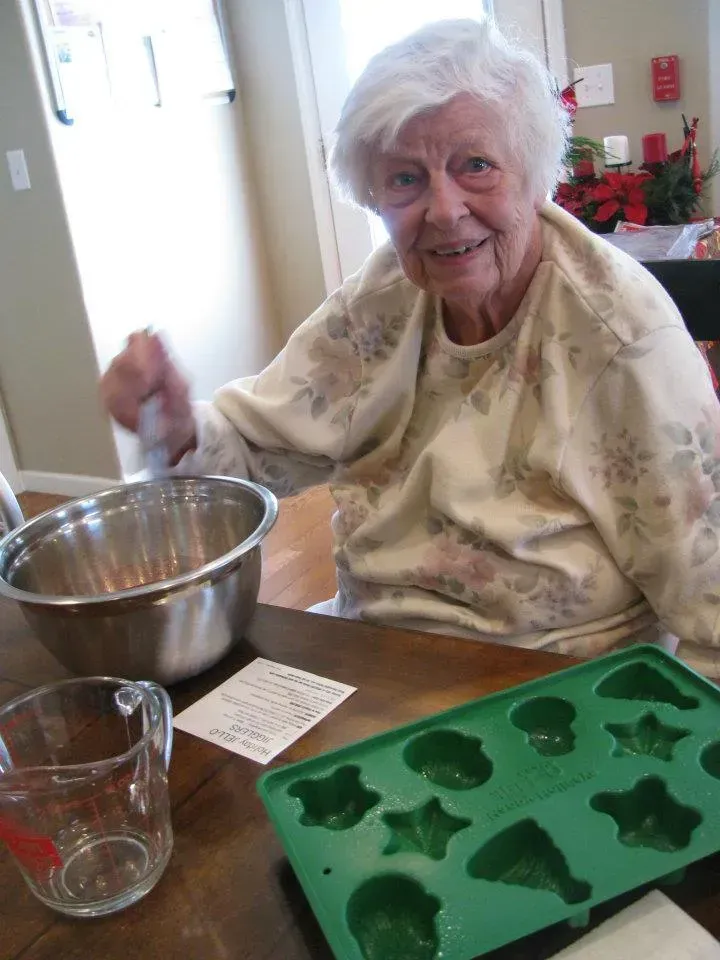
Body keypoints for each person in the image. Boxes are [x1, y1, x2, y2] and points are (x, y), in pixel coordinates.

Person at [101, 19, 720, 675]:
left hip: (549, 687)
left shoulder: (621, 340)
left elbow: (711, 607)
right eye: (405, 179)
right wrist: (172, 427)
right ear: (373, 196)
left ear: (536, 176)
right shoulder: (382, 301)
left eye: (476, 166)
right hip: (370, 655)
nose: (445, 210)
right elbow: (255, 449)